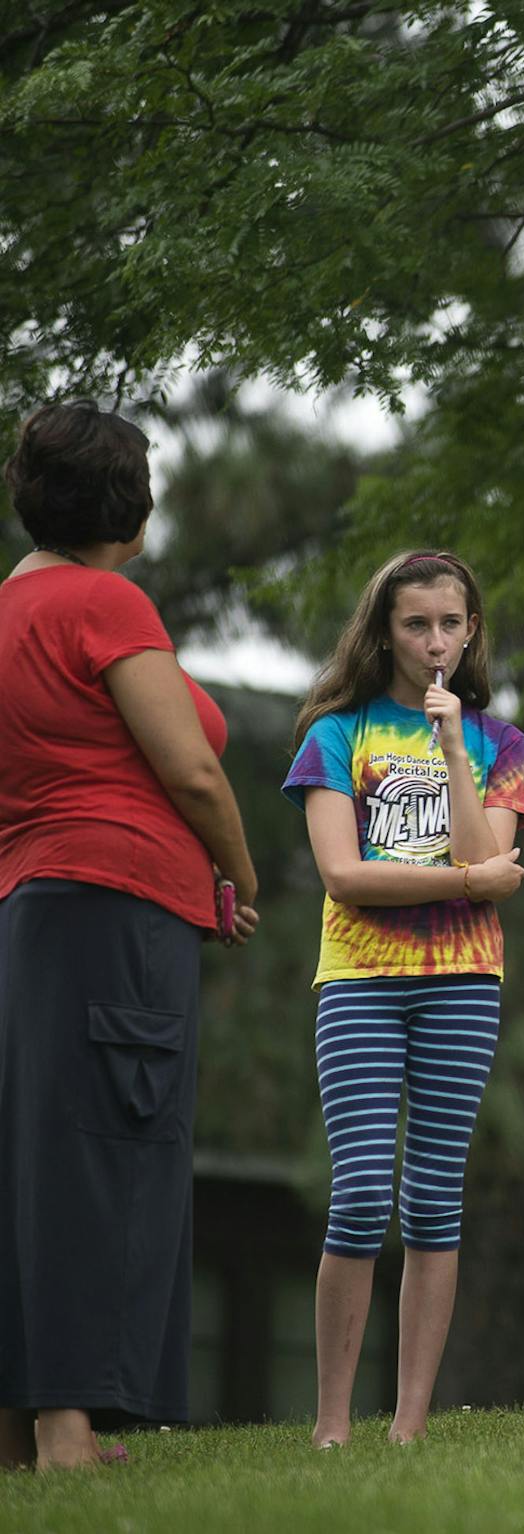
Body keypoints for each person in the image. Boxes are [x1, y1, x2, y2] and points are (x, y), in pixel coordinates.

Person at [0, 402, 262, 1471]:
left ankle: (21, 1435)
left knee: (34, 1154)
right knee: (107, 1146)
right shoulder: (103, 602)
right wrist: (236, 876)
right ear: (134, 507)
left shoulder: (8, 609)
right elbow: (191, 767)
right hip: (115, 905)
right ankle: (71, 1429)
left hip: (30, 907)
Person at [282, 550, 524, 1445]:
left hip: (463, 985)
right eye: (415, 624)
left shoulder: (499, 744)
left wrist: (451, 750)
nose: (434, 642)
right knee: (357, 1194)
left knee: (433, 1200)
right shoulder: (335, 735)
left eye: (450, 624)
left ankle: (410, 1426)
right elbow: (346, 878)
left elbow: (483, 850)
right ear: (383, 631)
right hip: (359, 981)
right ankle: (330, 1424)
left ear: (471, 633)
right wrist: (469, 881)